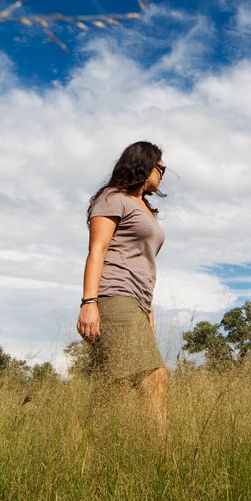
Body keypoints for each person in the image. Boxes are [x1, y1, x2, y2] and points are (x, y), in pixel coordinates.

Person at [77, 141, 169, 436]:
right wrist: (89, 303)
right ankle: (164, 454)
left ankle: (79, 447)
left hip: (138, 302)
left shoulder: (146, 209)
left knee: (114, 386)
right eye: (161, 168)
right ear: (145, 165)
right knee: (154, 377)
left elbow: (144, 264)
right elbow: (97, 251)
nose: (163, 174)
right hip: (115, 295)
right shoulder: (113, 198)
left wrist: (148, 314)